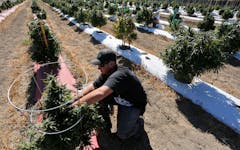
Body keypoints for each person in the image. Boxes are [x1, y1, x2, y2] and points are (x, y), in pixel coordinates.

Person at [72, 49, 147, 143]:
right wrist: (78, 98)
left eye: (101, 65)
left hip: (131, 104)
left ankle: (138, 124)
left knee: (122, 134)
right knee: (92, 94)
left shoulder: (120, 75)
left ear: (111, 64)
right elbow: (94, 86)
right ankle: (106, 121)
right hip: (119, 98)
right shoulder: (106, 72)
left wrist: (75, 106)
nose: (98, 67)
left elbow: (100, 93)